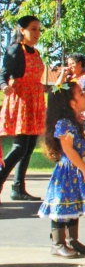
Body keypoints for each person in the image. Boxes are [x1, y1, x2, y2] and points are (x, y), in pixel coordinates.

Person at [38, 82, 85, 258]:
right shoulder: (64, 124)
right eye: (81, 93)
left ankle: (72, 240)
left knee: (74, 204)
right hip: (68, 172)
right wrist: (84, 169)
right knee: (62, 206)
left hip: (79, 170)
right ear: (72, 103)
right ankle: (58, 243)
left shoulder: (81, 123)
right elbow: (68, 150)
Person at [0, 15, 46, 201]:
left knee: (28, 147)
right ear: (22, 30)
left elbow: (37, 81)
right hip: (22, 101)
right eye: (33, 29)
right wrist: (4, 86)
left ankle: (18, 187)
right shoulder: (15, 50)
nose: (37, 33)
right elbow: (3, 74)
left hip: (35, 101)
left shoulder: (36, 52)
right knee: (20, 147)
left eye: (38, 29)